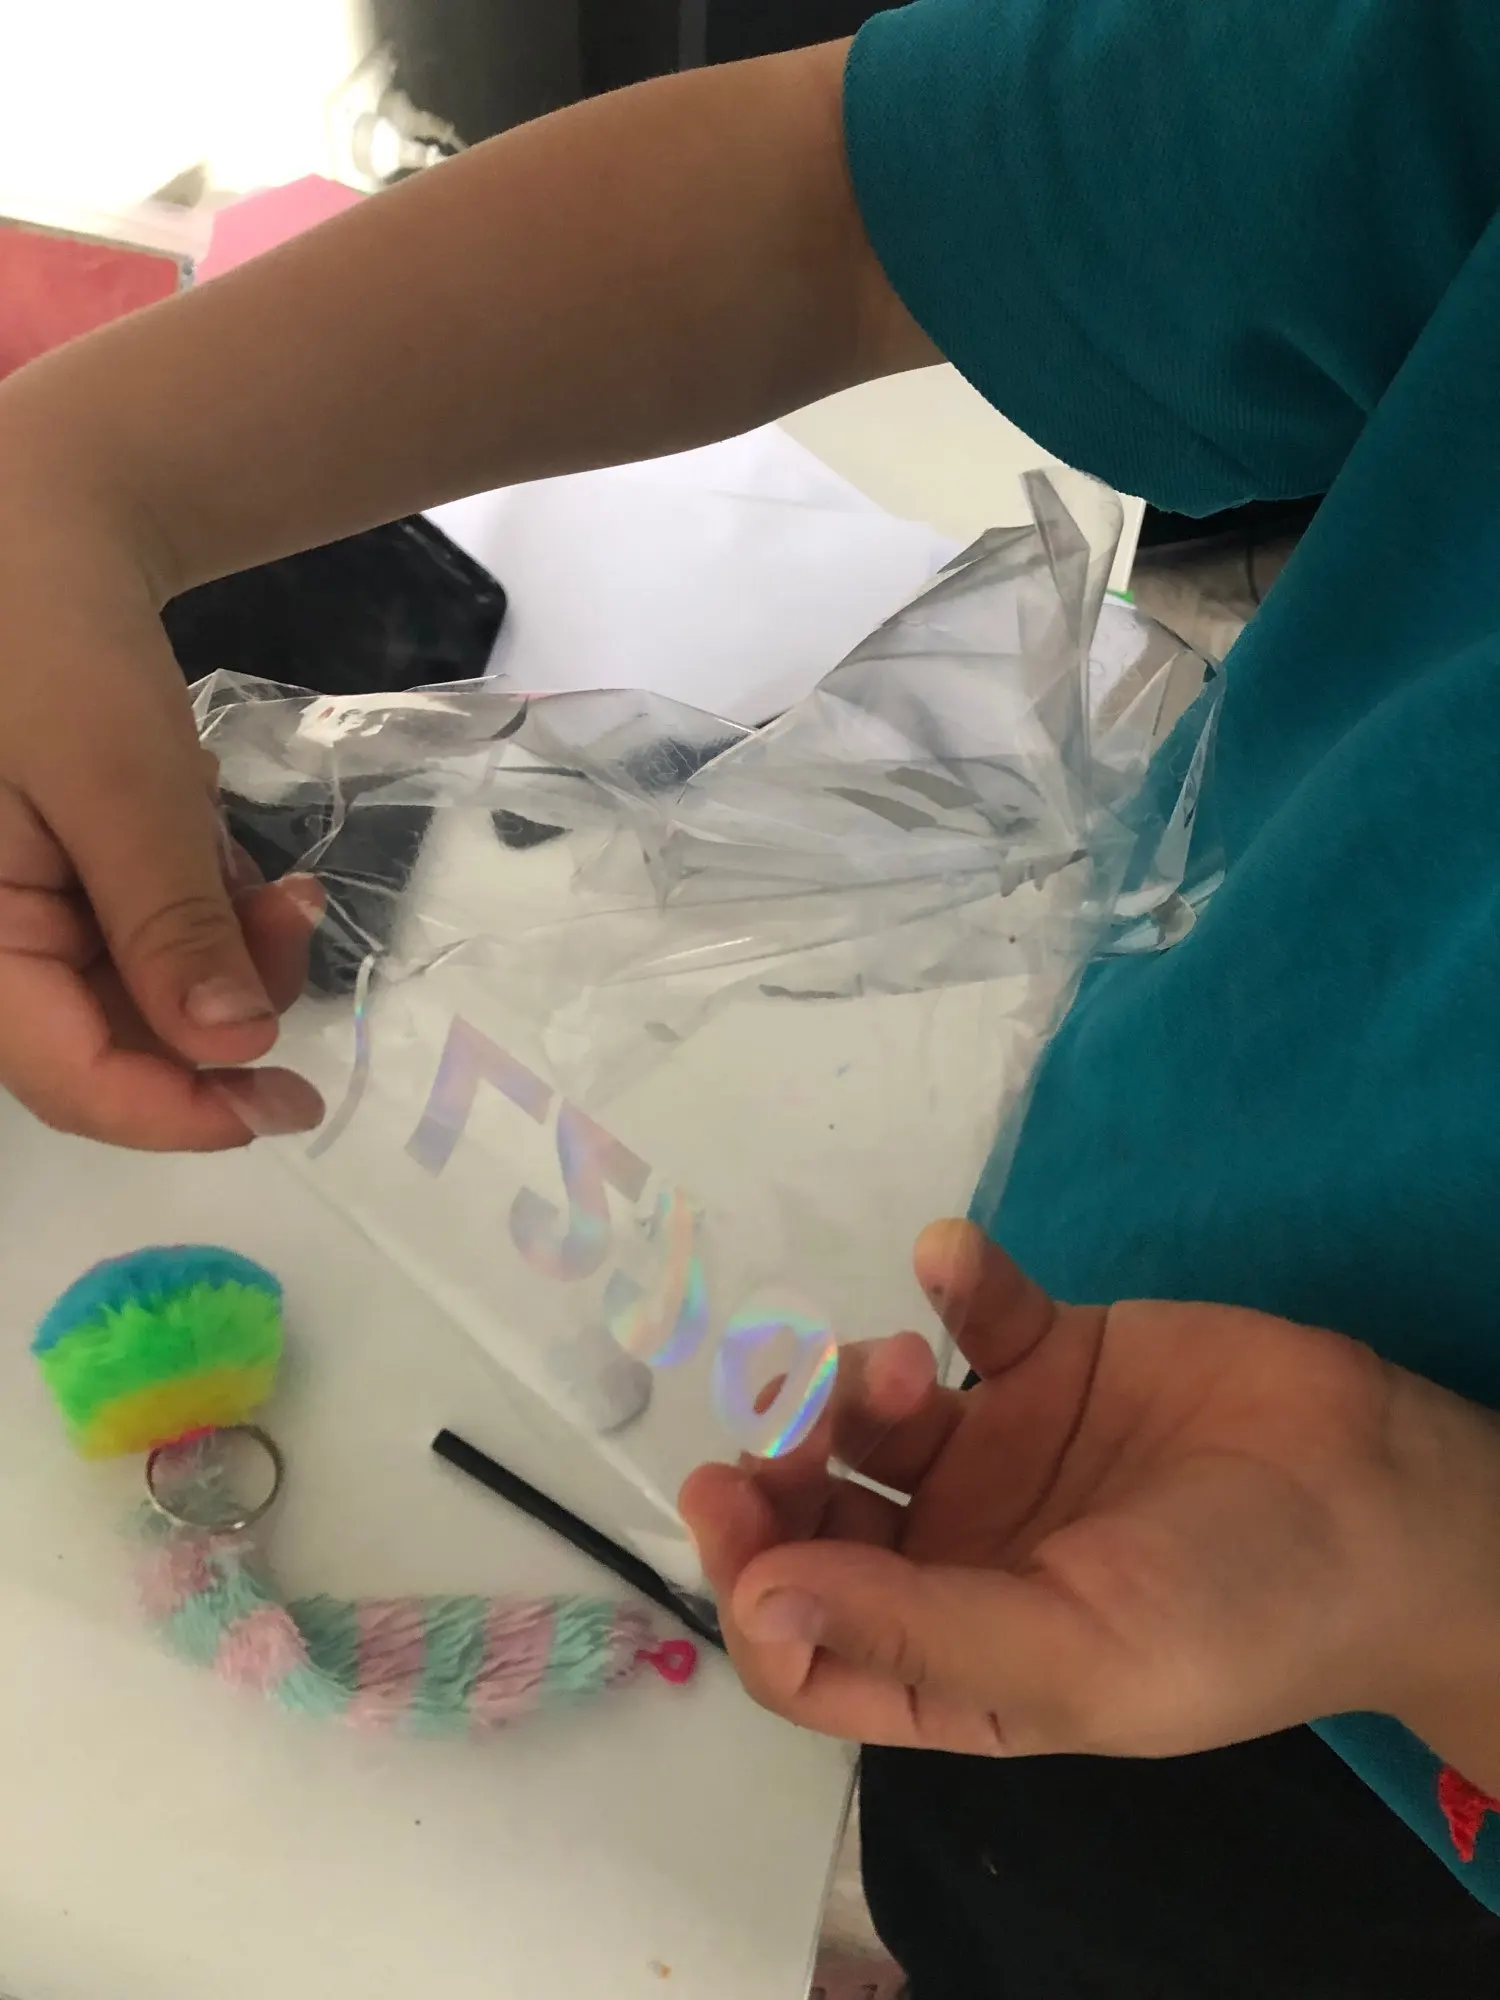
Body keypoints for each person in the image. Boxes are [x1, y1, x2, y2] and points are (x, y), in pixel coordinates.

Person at [2, 2, 1500, 1991]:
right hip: (1051, 1412)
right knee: (973, 1834)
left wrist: (1434, 1583)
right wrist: (70, 479)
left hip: (1392, 1812)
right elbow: (848, 203)